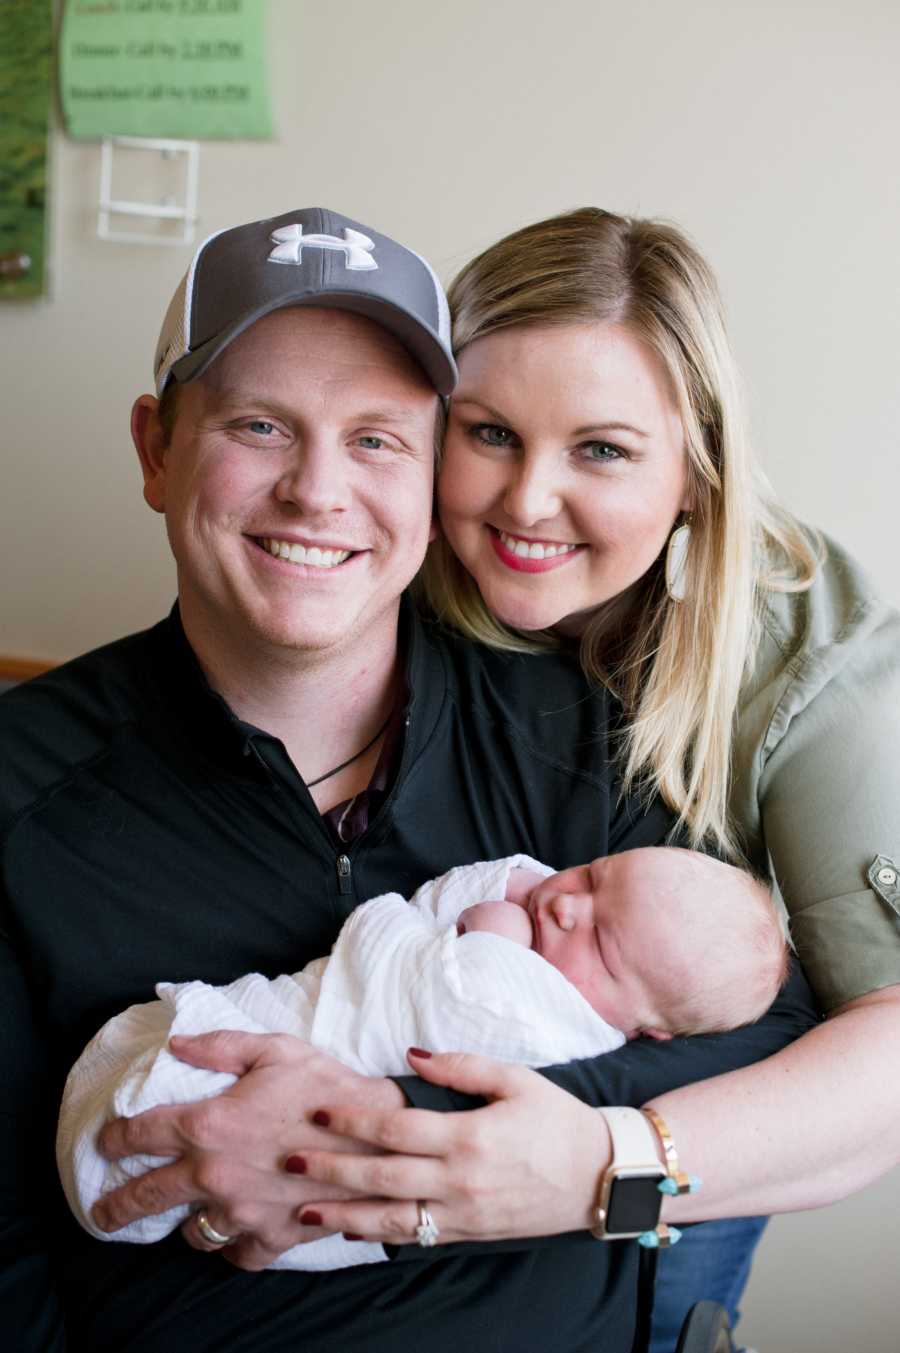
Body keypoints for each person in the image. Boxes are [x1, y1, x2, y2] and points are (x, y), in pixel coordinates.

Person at [0, 205, 818, 1353]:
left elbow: (755, 1033)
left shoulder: (575, 739)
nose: (318, 491)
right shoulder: (21, 793)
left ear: (428, 475)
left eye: (378, 438)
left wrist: (394, 1125)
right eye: (259, 425)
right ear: (156, 449)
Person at [276, 207, 900, 1352]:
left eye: (602, 450)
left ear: (698, 475)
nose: (526, 504)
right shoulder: (380, 565)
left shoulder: (816, 663)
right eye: (491, 433)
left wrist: (606, 1164)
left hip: (676, 1148)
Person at [58, 847, 787, 1270]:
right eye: (594, 875)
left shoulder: (549, 1024)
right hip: (260, 1080)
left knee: (161, 1106)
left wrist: (487, 922)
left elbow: (420, 980)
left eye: (602, 941)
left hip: (311, 1162)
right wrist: (500, 896)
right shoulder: (561, 949)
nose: (565, 904)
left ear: (646, 1027)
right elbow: (461, 895)